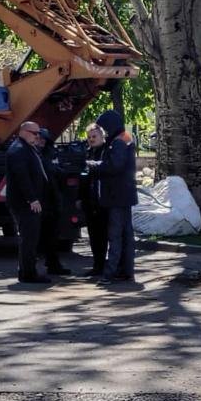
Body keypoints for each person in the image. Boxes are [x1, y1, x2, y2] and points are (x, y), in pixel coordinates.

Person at [88, 109, 137, 283]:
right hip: (125, 195)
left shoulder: (117, 142)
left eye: (104, 128)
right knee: (125, 235)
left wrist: (94, 165)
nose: (104, 131)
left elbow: (114, 166)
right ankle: (126, 270)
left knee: (115, 235)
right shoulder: (125, 137)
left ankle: (110, 274)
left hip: (117, 195)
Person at [5, 120, 51, 283]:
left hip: (28, 202)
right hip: (24, 203)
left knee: (30, 237)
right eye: (35, 133)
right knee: (28, 238)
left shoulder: (26, 148)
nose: (38, 136)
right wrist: (32, 199)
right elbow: (22, 178)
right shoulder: (18, 150)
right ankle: (28, 273)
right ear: (24, 132)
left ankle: (26, 270)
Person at [34, 127, 70, 276]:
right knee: (35, 236)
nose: (41, 141)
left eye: (44, 139)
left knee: (52, 234)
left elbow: (61, 172)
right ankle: (32, 266)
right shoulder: (33, 154)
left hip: (52, 199)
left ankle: (53, 263)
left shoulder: (51, 153)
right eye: (39, 138)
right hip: (39, 200)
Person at [81, 121, 109, 277]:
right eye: (89, 137)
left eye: (94, 136)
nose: (91, 139)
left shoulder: (106, 151)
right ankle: (97, 265)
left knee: (104, 235)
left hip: (103, 200)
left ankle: (105, 265)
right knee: (94, 236)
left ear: (102, 135)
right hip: (90, 201)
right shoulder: (88, 152)